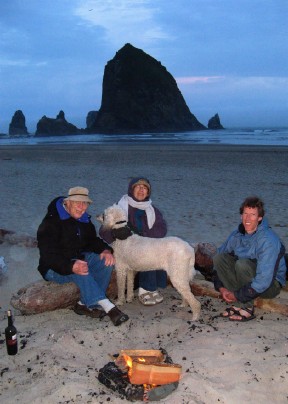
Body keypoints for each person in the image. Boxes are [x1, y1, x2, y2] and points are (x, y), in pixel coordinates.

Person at [37, 186, 129, 326]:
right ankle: (108, 306)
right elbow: (48, 257)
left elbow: (92, 241)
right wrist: (71, 266)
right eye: (77, 203)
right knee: (81, 269)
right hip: (53, 268)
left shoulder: (84, 220)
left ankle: (83, 304)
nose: (82, 207)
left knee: (105, 262)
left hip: (78, 258)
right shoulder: (50, 223)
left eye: (85, 203)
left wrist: (105, 250)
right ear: (67, 203)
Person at [213, 196, 286, 322]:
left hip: (271, 285)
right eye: (245, 213)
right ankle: (237, 303)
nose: (247, 218)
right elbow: (219, 258)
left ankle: (246, 307)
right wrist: (221, 287)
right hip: (248, 280)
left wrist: (238, 295)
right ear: (241, 215)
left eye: (252, 215)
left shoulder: (267, 240)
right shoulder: (237, 234)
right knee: (219, 258)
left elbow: (264, 280)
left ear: (260, 218)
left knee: (242, 264)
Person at [99, 177, 167, 305]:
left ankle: (148, 288)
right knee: (148, 255)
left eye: (145, 188)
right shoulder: (119, 207)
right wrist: (114, 233)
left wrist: (143, 237)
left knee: (151, 250)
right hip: (125, 253)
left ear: (148, 192)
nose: (141, 190)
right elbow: (103, 230)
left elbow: (162, 229)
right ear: (131, 189)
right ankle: (145, 290)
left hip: (144, 247)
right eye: (138, 187)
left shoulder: (153, 210)